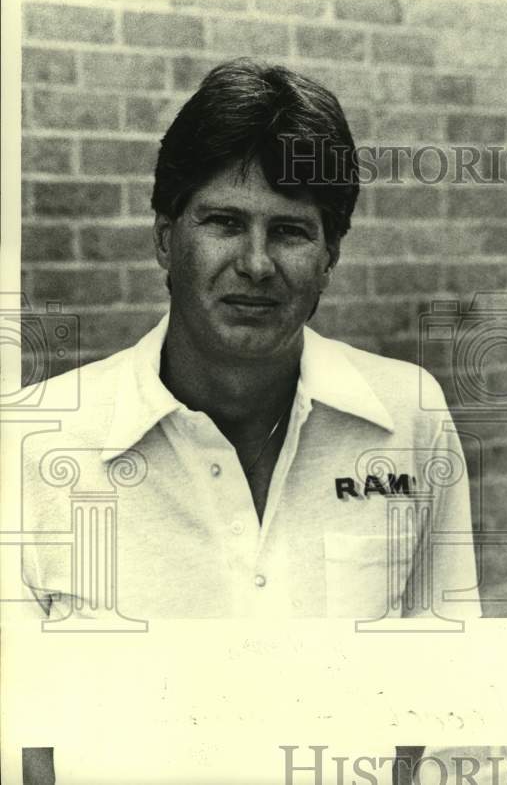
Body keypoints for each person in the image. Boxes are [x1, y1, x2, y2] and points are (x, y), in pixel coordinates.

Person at [15, 60, 479, 783]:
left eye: (291, 230)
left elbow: (454, 702)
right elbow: (17, 742)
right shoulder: (32, 442)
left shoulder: (406, 419)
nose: (257, 264)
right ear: (167, 238)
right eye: (225, 223)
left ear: (330, 256)